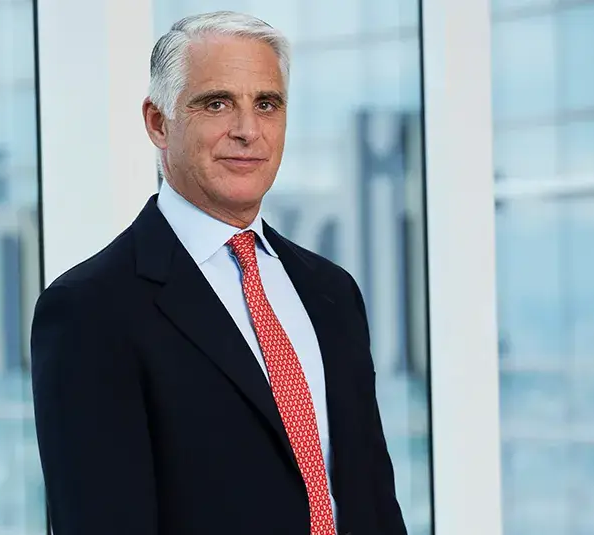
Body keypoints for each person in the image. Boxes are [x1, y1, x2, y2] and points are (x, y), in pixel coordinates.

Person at [30, 10, 407, 535]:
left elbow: (373, 500)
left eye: (266, 104)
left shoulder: (331, 292)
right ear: (158, 122)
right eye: (217, 103)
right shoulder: (90, 309)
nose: (248, 131)